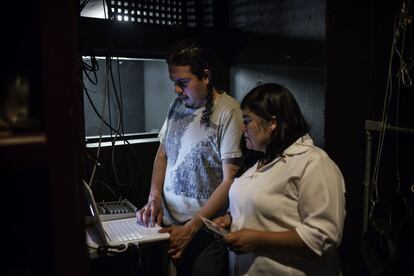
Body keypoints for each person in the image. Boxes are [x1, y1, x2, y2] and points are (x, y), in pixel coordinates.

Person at [214, 83, 346, 275]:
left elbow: (325, 235)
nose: (242, 129)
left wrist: (257, 239)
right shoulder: (259, 162)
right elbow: (263, 209)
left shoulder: (314, 163)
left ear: (272, 122)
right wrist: (230, 219)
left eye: (247, 120)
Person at [136, 39, 243, 276]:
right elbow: (162, 154)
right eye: (174, 83)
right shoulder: (177, 105)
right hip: (167, 222)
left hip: (204, 230)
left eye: (182, 83)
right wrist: (154, 197)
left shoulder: (229, 111)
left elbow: (230, 180)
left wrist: (193, 228)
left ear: (205, 76)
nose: (176, 90)